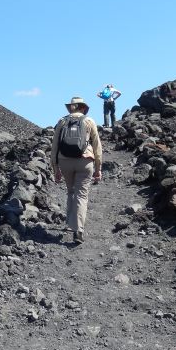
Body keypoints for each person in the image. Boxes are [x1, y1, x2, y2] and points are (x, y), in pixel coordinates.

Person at [51, 96, 102, 244]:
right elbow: (97, 147)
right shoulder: (89, 121)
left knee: (71, 191)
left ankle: (69, 223)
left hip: (64, 161)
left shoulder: (62, 121)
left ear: (72, 107)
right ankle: (78, 231)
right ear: (83, 108)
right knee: (81, 194)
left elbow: (54, 146)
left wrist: (55, 168)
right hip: (85, 161)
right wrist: (98, 168)